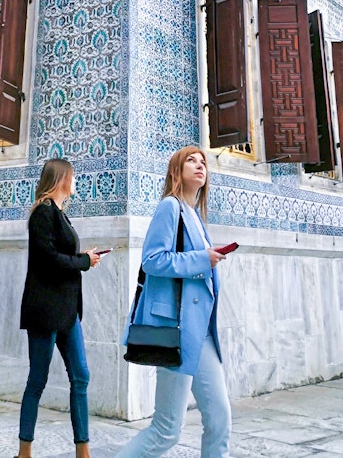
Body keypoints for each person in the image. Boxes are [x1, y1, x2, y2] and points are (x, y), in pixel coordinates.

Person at [117, 146, 232, 458]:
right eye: (190, 161)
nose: (199, 165)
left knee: (220, 418)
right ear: (176, 171)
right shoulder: (171, 207)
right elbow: (153, 260)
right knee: (167, 430)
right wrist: (202, 259)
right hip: (177, 329)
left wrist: (206, 257)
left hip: (203, 333)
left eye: (203, 161)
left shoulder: (195, 215)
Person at [16, 159, 100, 458]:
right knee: (38, 379)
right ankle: (24, 450)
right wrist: (83, 261)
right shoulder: (43, 212)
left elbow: (62, 255)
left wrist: (84, 257)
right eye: (72, 177)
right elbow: (48, 259)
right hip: (46, 309)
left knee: (81, 375)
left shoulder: (61, 215)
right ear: (61, 179)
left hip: (67, 311)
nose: (75, 182)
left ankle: (83, 450)